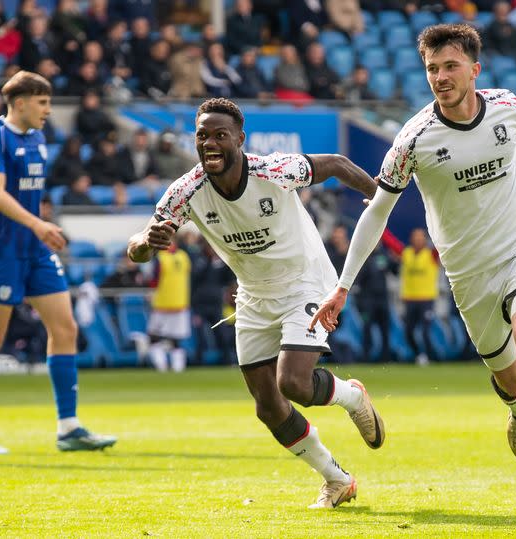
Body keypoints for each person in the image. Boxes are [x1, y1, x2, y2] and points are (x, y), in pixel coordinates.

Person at [310, 24, 516, 501]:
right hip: (467, 270)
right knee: (507, 375)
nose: (440, 76)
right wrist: (343, 286)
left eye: (450, 66)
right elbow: (377, 211)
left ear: (474, 70)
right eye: (432, 69)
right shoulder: (414, 140)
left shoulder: (506, 105)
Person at [127, 97, 384, 509]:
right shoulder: (186, 190)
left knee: (294, 383)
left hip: (305, 282)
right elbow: (138, 245)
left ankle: (352, 396)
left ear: (240, 140)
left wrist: (378, 197)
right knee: (268, 406)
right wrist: (145, 244)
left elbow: (335, 163)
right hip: (253, 296)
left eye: (220, 135)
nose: (210, 143)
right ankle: (337, 479)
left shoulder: (274, 170)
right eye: (202, 136)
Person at [0, 71, 116, 455]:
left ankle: (69, 427)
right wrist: (38, 224)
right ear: (20, 102)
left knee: (64, 328)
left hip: (36, 250)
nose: (49, 110)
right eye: (43, 102)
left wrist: (42, 227)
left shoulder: (38, 139)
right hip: (2, 250)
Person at [147, 242, 192, 372]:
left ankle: (161, 366)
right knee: (176, 338)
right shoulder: (184, 256)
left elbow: (153, 280)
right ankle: (178, 368)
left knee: (154, 336)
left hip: (162, 303)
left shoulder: (160, 258)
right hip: (180, 303)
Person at [400, 228, 439, 365]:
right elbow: (391, 243)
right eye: (415, 237)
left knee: (425, 331)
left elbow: (441, 244)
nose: (418, 240)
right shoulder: (406, 253)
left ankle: (430, 357)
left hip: (426, 299)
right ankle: (419, 355)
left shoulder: (432, 255)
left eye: (420, 237)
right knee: (408, 331)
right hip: (410, 299)